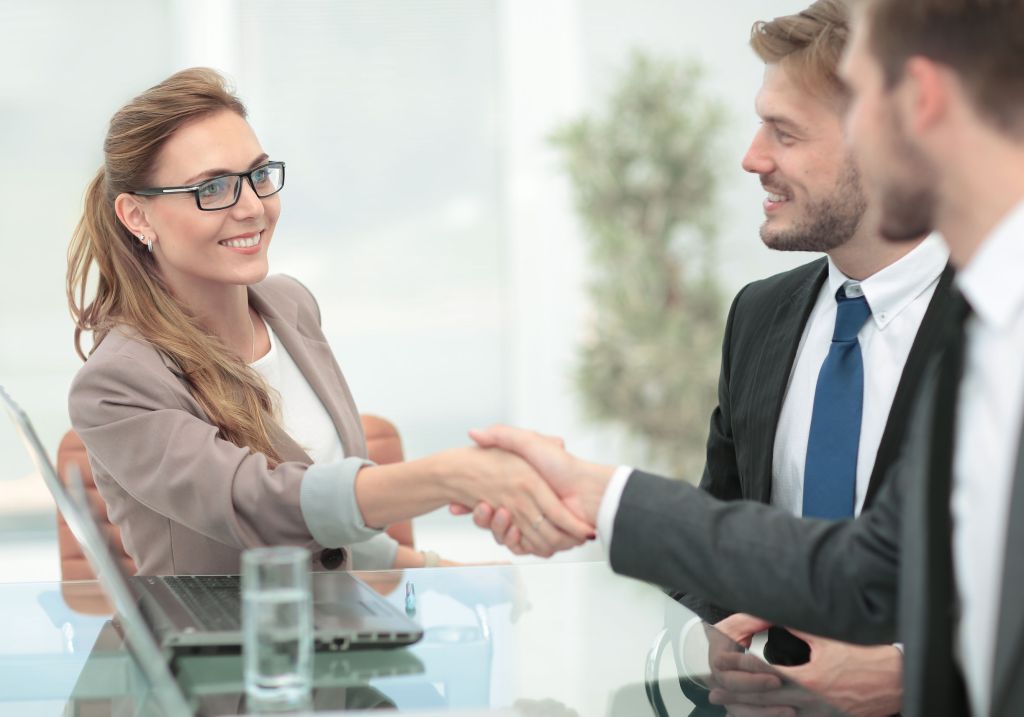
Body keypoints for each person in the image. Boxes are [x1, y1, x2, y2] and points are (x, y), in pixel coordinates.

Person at [465, 0, 1024, 714]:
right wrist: (603, 499)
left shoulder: (987, 321)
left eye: (785, 131)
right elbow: (852, 566)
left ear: (922, 103)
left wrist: (909, 674)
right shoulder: (980, 320)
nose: (752, 157)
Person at [66, 68, 593, 577]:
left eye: (258, 176)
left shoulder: (289, 305)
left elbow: (330, 535)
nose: (252, 207)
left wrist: (444, 573)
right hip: (219, 658)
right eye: (213, 188)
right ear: (137, 216)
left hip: (334, 648)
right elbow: (264, 509)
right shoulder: (118, 383)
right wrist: (452, 476)